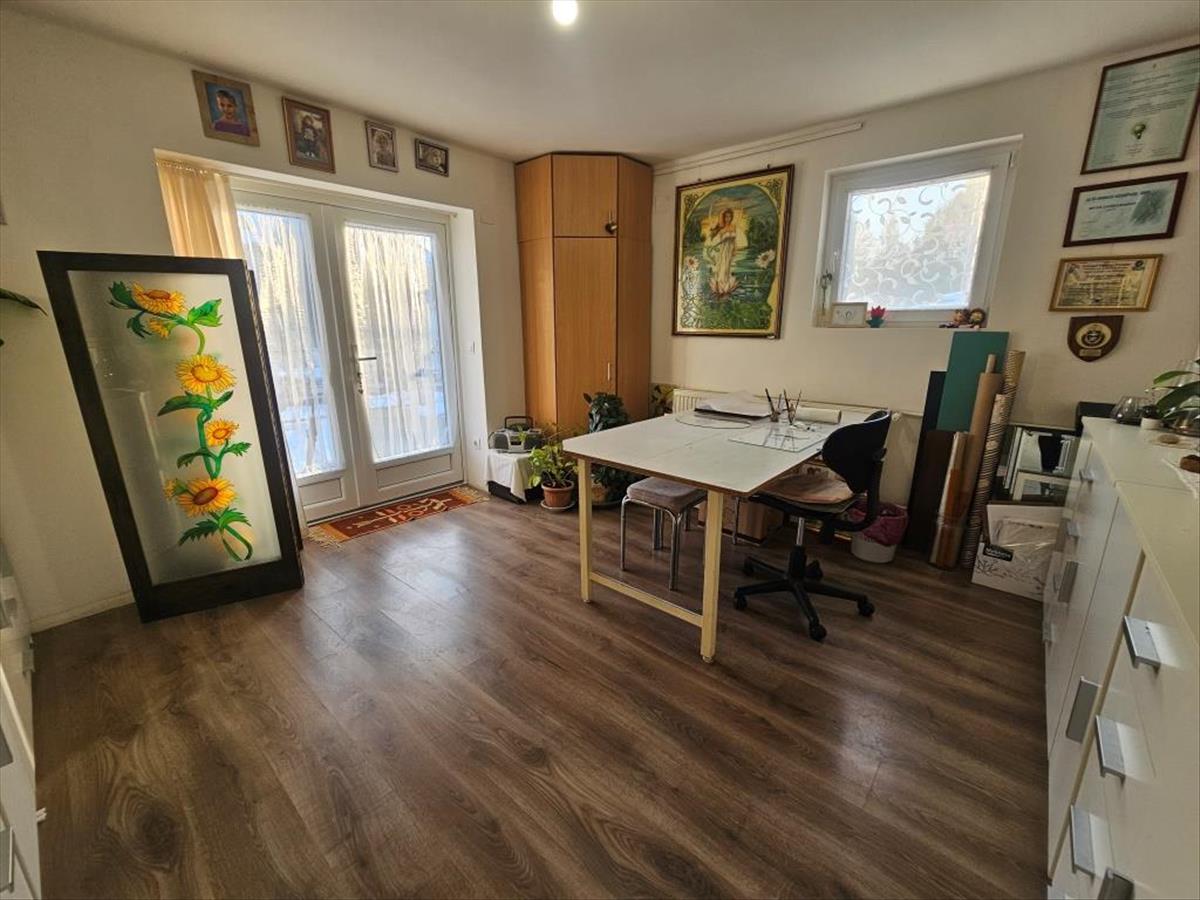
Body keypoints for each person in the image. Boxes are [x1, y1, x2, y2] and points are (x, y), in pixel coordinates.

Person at [704, 207, 739, 297]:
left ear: (732, 217)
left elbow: (734, 240)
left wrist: (735, 249)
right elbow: (719, 241)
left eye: (729, 216)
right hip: (723, 250)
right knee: (723, 266)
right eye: (726, 217)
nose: (728, 219)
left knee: (728, 267)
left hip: (730, 250)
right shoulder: (722, 229)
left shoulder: (733, 227)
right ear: (723, 217)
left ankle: (726, 284)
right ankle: (720, 285)